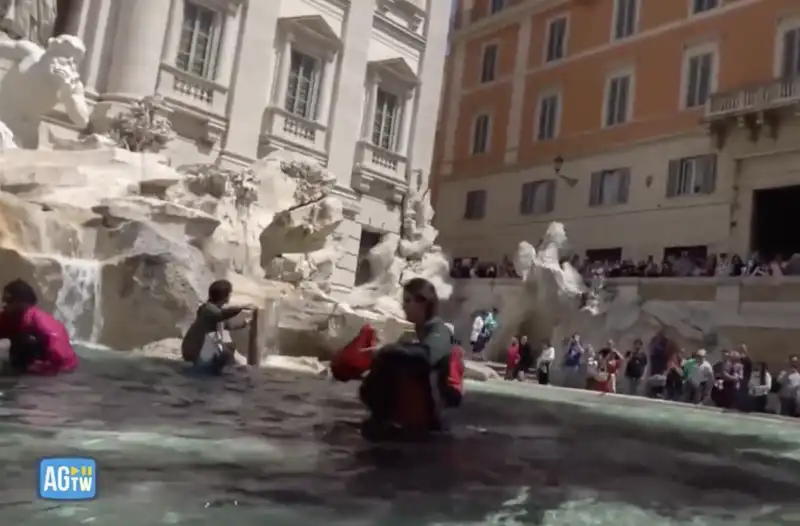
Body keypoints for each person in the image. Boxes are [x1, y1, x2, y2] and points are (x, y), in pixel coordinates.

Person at [331, 278, 464, 441]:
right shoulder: (413, 334)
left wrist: (384, 351)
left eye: (408, 301)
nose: (404, 306)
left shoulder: (440, 332)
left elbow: (426, 356)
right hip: (403, 420)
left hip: (430, 426)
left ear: (423, 302)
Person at [0, 279, 78, 375]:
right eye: (3, 300)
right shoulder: (7, 317)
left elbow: (64, 356)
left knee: (24, 339)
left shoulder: (40, 320)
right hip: (22, 367)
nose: (3, 304)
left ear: (24, 303)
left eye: (8, 300)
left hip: (52, 371)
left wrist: (48, 369)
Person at [181, 279, 254, 375]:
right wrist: (241, 307)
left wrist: (245, 323)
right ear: (225, 296)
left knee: (228, 352)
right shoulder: (208, 309)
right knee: (226, 355)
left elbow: (228, 324)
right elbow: (221, 315)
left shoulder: (211, 309)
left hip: (199, 349)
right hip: (193, 349)